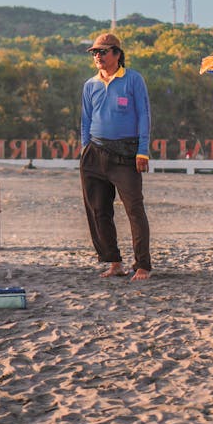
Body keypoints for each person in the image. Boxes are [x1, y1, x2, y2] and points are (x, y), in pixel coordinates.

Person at [80, 33, 152, 281]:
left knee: (134, 209)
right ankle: (114, 262)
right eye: (94, 53)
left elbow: (144, 114)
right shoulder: (90, 85)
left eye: (102, 51)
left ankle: (142, 265)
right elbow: (85, 120)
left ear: (117, 54)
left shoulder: (133, 80)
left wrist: (143, 150)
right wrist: (84, 150)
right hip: (94, 153)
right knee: (98, 210)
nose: (97, 56)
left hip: (127, 153)